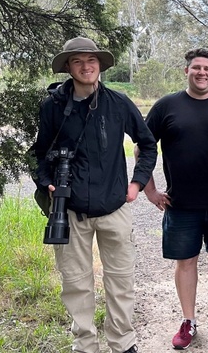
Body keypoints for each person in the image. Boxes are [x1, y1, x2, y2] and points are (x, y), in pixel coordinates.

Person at [33, 37, 157, 353]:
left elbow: (147, 144)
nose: (86, 66)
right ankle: (84, 344)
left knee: (121, 282)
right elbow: (39, 153)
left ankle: (123, 343)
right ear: (68, 68)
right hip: (70, 210)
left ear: (100, 65)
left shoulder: (118, 103)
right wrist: (47, 181)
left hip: (114, 207)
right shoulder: (52, 107)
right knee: (76, 283)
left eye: (92, 60)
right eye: (78, 61)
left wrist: (137, 183)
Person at [141, 48, 208, 350]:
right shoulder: (166, 106)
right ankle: (188, 320)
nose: (202, 73)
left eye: (207, 68)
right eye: (196, 68)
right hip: (181, 203)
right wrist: (150, 190)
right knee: (186, 262)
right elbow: (143, 148)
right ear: (186, 71)